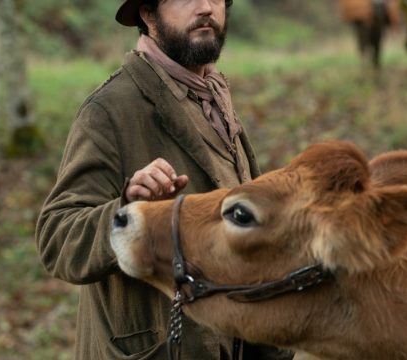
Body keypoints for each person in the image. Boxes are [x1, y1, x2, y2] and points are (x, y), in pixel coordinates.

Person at [35, 0, 293, 359]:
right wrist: (127, 209)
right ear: (147, 13)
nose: (206, 8)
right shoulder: (109, 110)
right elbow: (57, 238)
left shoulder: (212, 93)